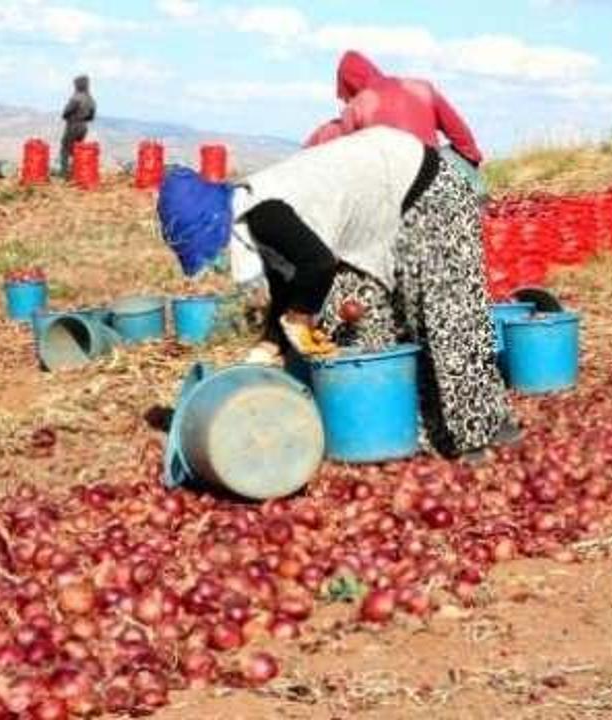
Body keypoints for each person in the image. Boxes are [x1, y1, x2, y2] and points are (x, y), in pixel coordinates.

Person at [157, 126, 519, 459]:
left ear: (214, 224)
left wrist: (298, 316)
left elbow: (317, 266)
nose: (214, 258)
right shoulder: (250, 214)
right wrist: (270, 344)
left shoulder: (263, 213)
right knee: (365, 320)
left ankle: (481, 431)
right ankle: (394, 427)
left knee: (447, 317)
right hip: (381, 206)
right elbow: (289, 278)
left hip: (425, 188)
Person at [304, 50, 483, 168]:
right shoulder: (421, 88)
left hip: (388, 189)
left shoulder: (357, 106)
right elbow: (461, 136)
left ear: (348, 85)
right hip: (429, 175)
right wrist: (472, 158)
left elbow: (346, 159)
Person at [60, 75, 96, 178]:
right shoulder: (91, 99)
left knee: (65, 149)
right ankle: (78, 172)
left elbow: (65, 112)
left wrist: (70, 117)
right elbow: (91, 117)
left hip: (73, 125)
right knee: (78, 150)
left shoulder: (76, 97)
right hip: (84, 126)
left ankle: (64, 174)